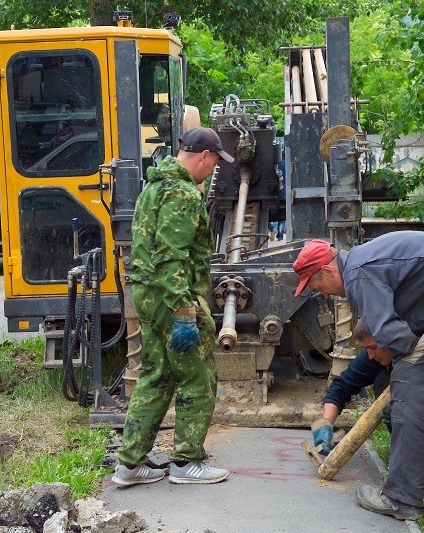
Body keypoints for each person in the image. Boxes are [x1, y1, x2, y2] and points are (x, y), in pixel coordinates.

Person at [293, 232, 424, 520]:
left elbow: (393, 337)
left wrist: (410, 371)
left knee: (409, 378)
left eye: (318, 287)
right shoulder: (364, 262)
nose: (325, 295)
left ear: (328, 270)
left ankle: (401, 498)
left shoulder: (357, 275)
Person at [112, 127, 235, 486]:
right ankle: (186, 462)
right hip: (173, 300)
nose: (213, 171)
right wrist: (185, 314)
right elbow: (171, 258)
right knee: (198, 377)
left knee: (156, 376)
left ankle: (130, 464)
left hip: (149, 297)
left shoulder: (152, 188)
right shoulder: (182, 194)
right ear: (204, 157)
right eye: (214, 163)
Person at [313, 320, 424, 482]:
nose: (370, 356)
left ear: (390, 340)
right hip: (411, 412)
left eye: (372, 348)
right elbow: (343, 384)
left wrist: (411, 408)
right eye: (366, 349)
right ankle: (406, 449)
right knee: (384, 381)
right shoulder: (377, 352)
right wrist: (326, 422)